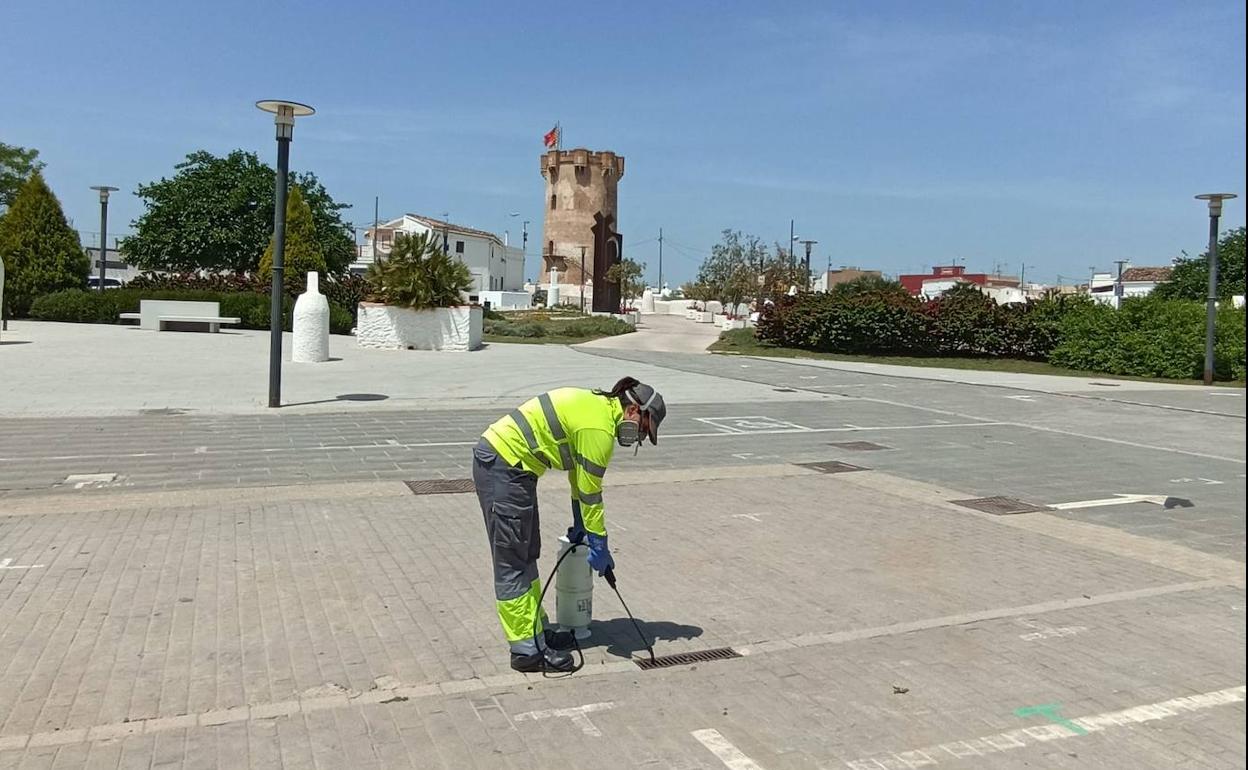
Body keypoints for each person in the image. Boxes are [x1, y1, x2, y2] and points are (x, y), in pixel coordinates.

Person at [472, 376, 667, 672]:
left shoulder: (600, 409)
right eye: (643, 428)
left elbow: (578, 478)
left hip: (516, 471)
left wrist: (580, 524)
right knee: (512, 561)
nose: (638, 437)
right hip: (503, 467)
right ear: (634, 411)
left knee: (526, 554)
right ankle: (526, 651)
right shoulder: (598, 428)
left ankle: (535, 631)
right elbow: (591, 493)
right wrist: (599, 543)